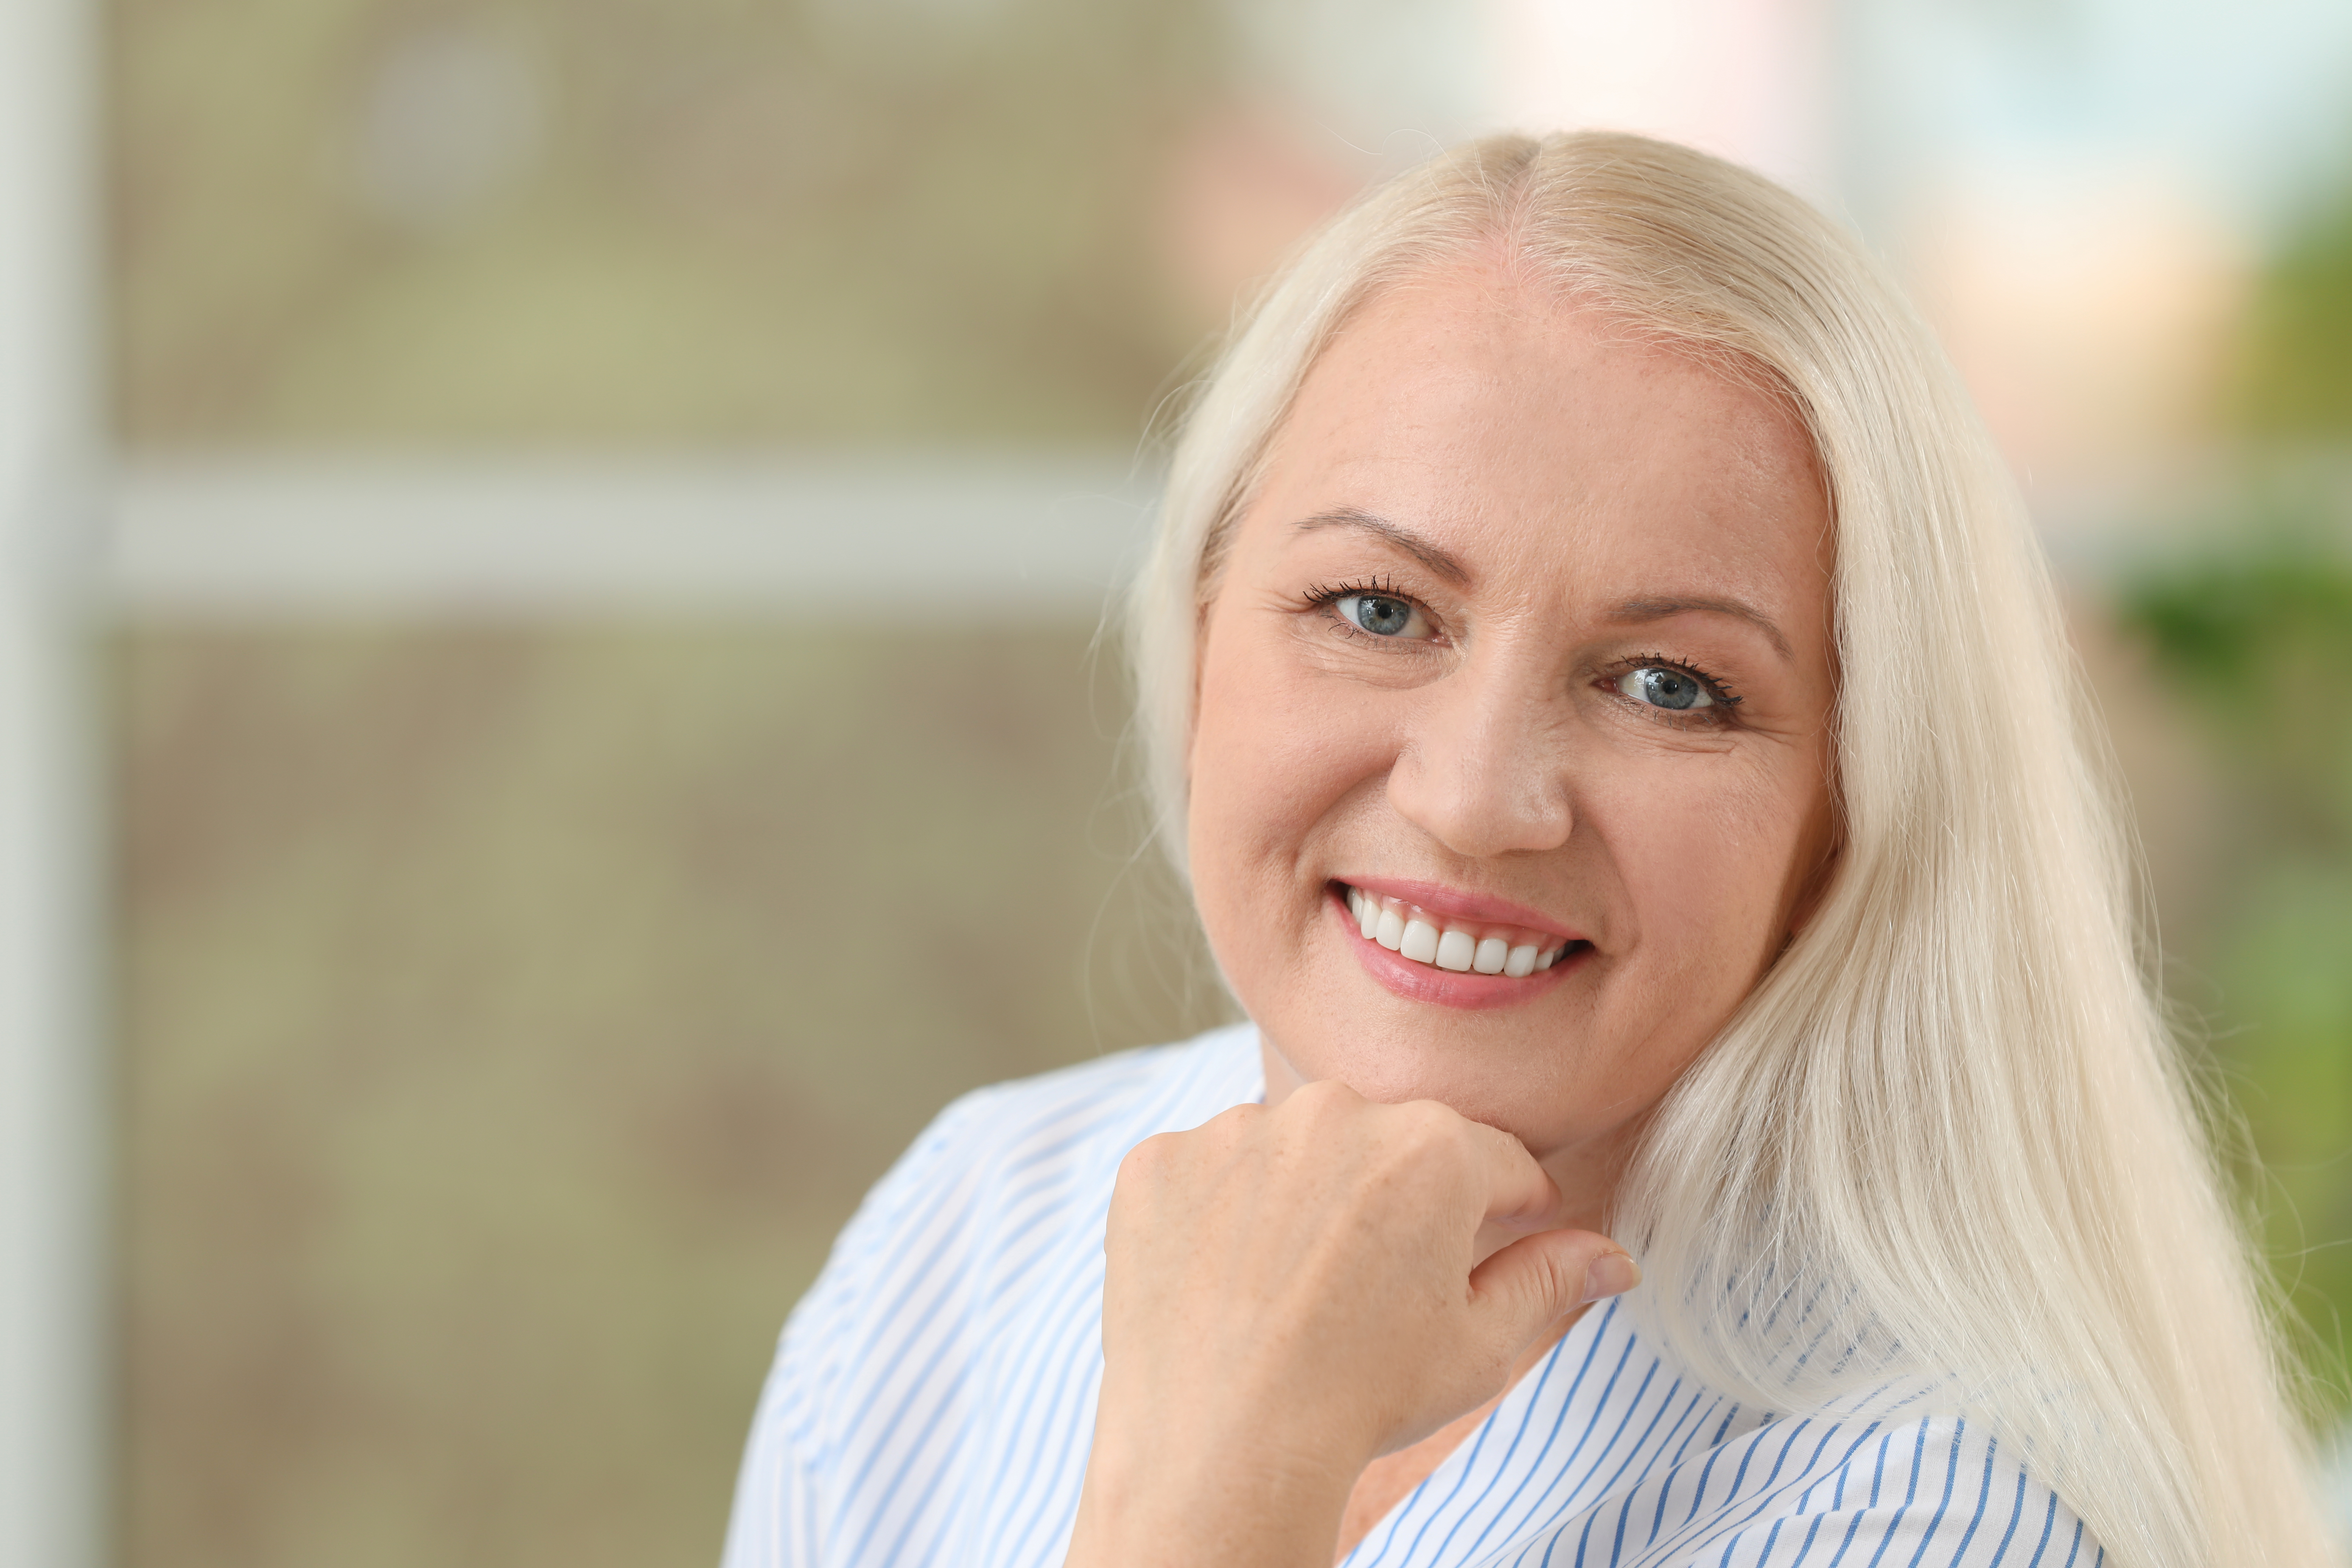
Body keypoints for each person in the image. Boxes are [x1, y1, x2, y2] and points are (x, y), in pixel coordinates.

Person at [720, 132, 2334, 1568]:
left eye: (1670, 686)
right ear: (1206, 627)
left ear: (1848, 807)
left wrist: (1231, 1474)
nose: (1479, 795)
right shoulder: (969, 1222)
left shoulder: (1940, 1504)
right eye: (1376, 609)